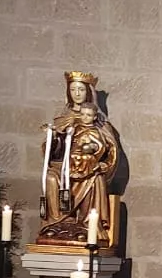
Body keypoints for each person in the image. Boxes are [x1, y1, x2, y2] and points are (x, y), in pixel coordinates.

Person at [38, 71, 121, 245]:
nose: (77, 93)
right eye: (73, 89)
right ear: (68, 92)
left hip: (89, 168)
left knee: (95, 178)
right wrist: (53, 138)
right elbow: (52, 151)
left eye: (81, 90)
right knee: (51, 178)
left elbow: (111, 149)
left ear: (88, 92)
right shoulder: (62, 120)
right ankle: (58, 223)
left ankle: (85, 225)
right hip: (65, 168)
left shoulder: (100, 123)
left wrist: (102, 163)